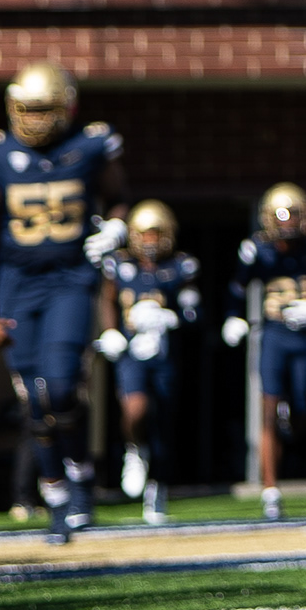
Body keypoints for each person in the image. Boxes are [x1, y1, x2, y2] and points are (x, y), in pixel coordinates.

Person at [0, 61, 122, 542]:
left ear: (66, 108)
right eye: (27, 109)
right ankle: (56, 494)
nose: (34, 120)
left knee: (59, 386)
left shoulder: (91, 145)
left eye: (43, 109)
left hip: (69, 280)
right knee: (32, 399)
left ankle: (79, 474)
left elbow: (118, 196)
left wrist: (116, 226)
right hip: (17, 285)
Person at [230, 182, 306, 522]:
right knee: (268, 409)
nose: (287, 223)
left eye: (293, 215)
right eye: (281, 215)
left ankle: (297, 419)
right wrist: (234, 317)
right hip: (274, 334)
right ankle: (270, 489)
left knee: (303, 410)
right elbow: (238, 286)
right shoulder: (258, 249)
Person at [94, 200, 198, 525]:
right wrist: (110, 330)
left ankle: (157, 488)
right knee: (135, 410)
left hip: (165, 354)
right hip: (131, 352)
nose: (150, 242)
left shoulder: (180, 266)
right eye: (145, 234)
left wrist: (172, 318)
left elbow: (193, 311)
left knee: (163, 422)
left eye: (156, 234)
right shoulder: (119, 264)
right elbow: (107, 298)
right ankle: (134, 448)